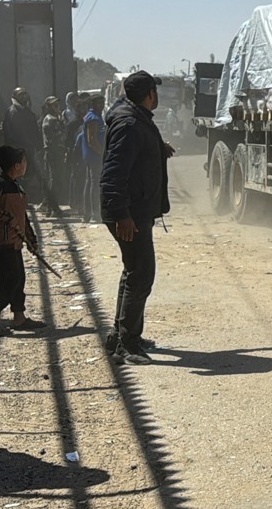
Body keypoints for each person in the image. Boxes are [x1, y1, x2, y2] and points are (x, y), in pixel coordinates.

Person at [101, 71, 172, 366]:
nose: (158, 95)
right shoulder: (130, 123)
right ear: (149, 94)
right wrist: (122, 215)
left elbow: (135, 155)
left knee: (134, 272)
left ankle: (120, 335)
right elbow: (113, 174)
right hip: (130, 213)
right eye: (155, 90)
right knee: (142, 274)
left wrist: (158, 150)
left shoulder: (135, 117)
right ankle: (126, 347)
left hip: (136, 211)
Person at [0, 146, 46, 336]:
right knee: (9, 281)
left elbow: (22, 216)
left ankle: (19, 317)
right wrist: (5, 217)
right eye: (24, 162)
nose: (26, 165)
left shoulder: (16, 186)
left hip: (14, 241)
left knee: (19, 278)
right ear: (16, 165)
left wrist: (31, 239)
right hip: (2, 241)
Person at [39, 96, 67, 215]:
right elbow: (58, 136)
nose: (57, 107)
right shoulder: (51, 120)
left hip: (55, 152)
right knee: (55, 180)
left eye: (57, 104)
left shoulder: (53, 118)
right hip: (53, 152)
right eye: (54, 105)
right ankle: (53, 207)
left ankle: (49, 206)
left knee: (54, 179)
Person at [82, 95, 107, 223]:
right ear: (92, 104)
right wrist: (103, 154)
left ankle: (88, 213)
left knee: (90, 182)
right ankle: (94, 214)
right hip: (94, 156)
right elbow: (92, 140)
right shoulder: (93, 118)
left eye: (102, 103)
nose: (101, 106)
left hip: (93, 155)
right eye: (98, 103)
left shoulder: (96, 116)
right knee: (95, 183)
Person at [66, 93, 90, 217]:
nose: (84, 111)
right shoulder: (73, 124)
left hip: (85, 154)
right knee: (77, 180)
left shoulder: (87, 121)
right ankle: (77, 205)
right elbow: (68, 141)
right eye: (81, 108)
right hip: (76, 156)